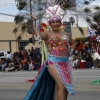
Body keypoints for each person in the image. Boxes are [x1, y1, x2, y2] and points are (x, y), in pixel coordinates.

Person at [24, 5, 76, 100]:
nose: (55, 24)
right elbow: (39, 34)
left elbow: (73, 43)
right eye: (53, 22)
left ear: (60, 23)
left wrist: (71, 50)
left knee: (57, 86)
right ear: (50, 23)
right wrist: (37, 22)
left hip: (65, 63)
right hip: (53, 63)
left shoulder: (65, 34)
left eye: (57, 22)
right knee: (63, 86)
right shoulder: (48, 34)